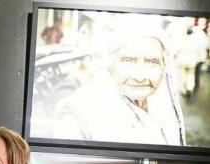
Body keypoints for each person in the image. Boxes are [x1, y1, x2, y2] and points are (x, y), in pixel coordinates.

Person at [55, 30, 185, 146]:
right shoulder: (79, 112)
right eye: (128, 60)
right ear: (110, 66)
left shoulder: (162, 106)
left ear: (164, 68)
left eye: (152, 62)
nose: (140, 77)